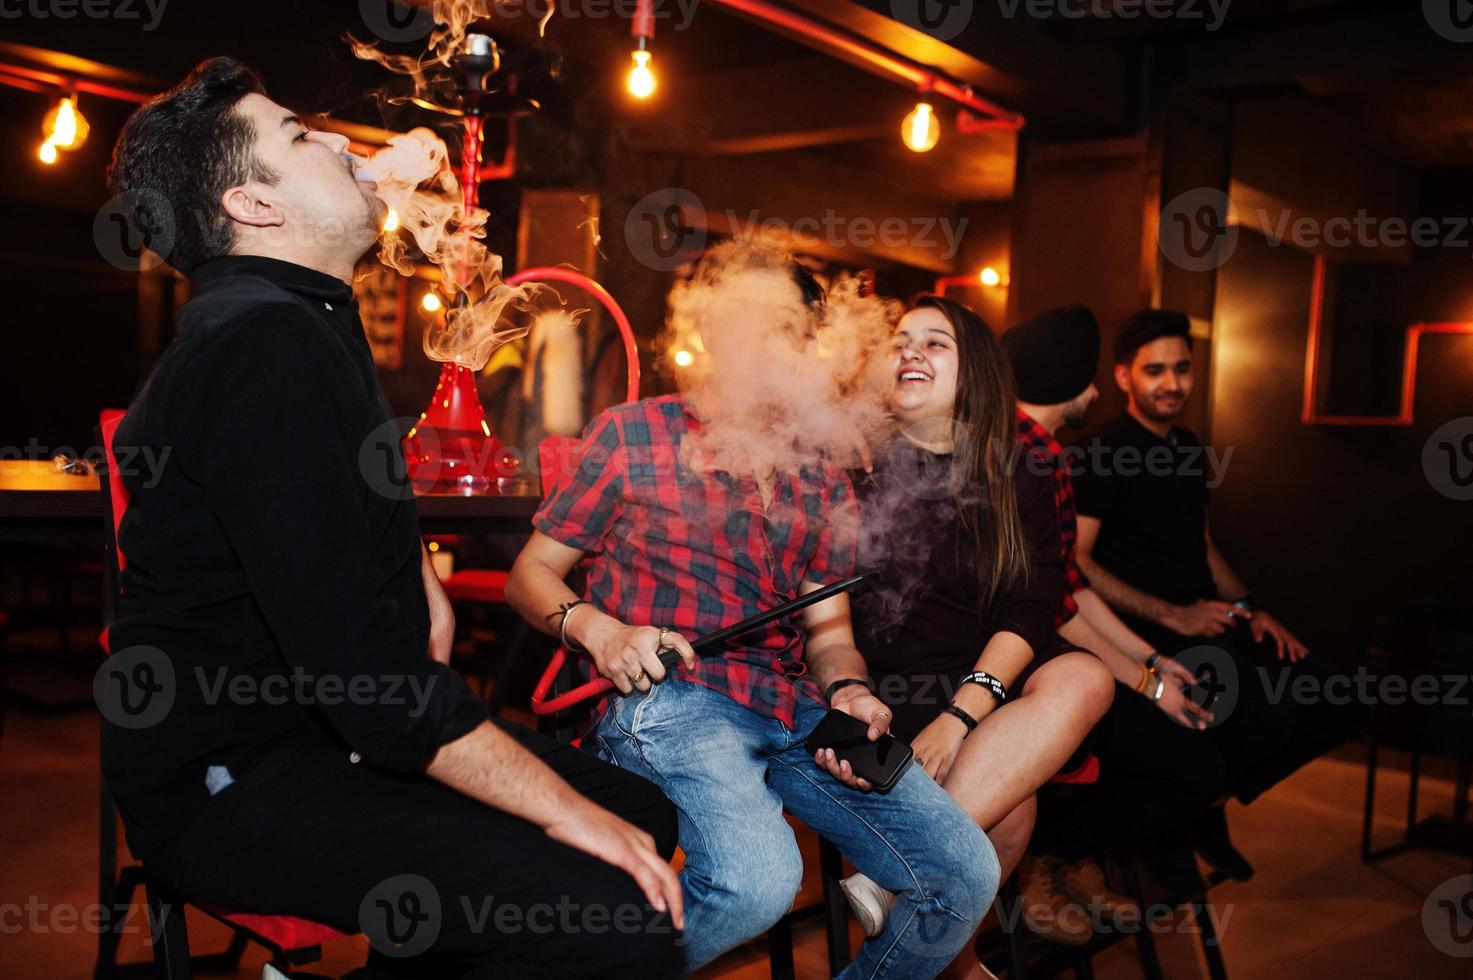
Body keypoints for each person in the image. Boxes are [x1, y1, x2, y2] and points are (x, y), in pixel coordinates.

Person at [102, 57, 683, 978]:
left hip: (328, 735)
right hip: (235, 778)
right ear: (254, 206)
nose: (342, 141)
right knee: (609, 909)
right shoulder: (259, 348)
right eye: (299, 135)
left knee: (645, 812)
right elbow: (362, 680)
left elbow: (337, 495)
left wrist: (419, 582)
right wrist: (563, 813)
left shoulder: (303, 312)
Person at [505, 251, 999, 978]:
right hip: (672, 698)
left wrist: (849, 693)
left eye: (787, 327)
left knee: (962, 875)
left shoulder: (821, 469)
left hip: (790, 707)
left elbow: (829, 632)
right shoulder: (634, 434)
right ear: (707, 331)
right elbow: (529, 573)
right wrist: (599, 630)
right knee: (756, 885)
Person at [838, 296, 1115, 979]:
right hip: (877, 681)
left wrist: (961, 716)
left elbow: (1034, 602)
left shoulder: (1018, 464)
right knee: (1011, 814)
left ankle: (893, 876)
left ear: (977, 373)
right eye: (899, 341)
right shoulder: (851, 457)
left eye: (934, 343)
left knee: (1086, 676)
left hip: (972, 669)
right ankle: (946, 961)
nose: (908, 351)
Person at [1072, 308, 1357, 881]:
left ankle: (1205, 810)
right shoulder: (1100, 450)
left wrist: (1253, 609)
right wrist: (1172, 614)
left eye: (1182, 368)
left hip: (1208, 617)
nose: (1172, 383)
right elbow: (1075, 563)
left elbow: (1202, 546)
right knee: (1266, 710)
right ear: (1125, 376)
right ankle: (1168, 827)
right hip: (1145, 632)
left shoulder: (1189, 447)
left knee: (1337, 696)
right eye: (1155, 371)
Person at [1002, 306, 1229, 934]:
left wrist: (1154, 663)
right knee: (1192, 765)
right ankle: (1043, 864)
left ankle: (1071, 860)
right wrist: (1146, 683)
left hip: (1054, 647)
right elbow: (1055, 609)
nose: (1099, 390)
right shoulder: (1023, 457)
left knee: (1192, 749)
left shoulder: (1045, 450)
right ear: (1060, 380)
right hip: (1011, 661)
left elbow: (1074, 591)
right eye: (1087, 376)